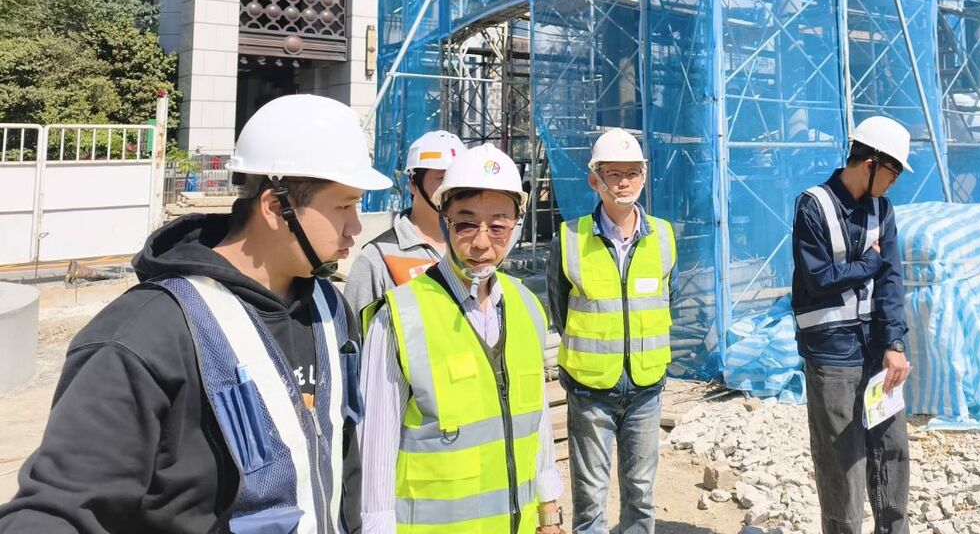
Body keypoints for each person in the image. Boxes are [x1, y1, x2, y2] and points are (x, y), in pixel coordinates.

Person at [0, 93, 390, 533]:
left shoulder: (328, 309)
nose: (356, 227)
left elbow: (343, 459)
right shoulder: (148, 334)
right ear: (275, 208)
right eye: (345, 206)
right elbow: (58, 510)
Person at [359, 143, 565, 534]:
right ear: (444, 223)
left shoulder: (525, 306)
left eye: (499, 225)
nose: (482, 243)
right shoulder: (400, 317)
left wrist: (549, 512)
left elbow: (535, 422)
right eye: (466, 224)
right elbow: (375, 454)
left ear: (516, 226)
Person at [546, 128, 678, 534]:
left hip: (645, 385)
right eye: (613, 173)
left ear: (643, 175)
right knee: (590, 495)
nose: (623, 182)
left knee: (641, 493)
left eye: (632, 173)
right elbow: (559, 308)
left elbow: (665, 300)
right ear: (594, 179)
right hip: (590, 388)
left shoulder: (663, 236)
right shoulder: (570, 238)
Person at [792, 115, 913, 534]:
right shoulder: (813, 205)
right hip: (831, 352)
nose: (894, 182)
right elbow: (819, 278)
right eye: (893, 172)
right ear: (870, 163)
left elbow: (892, 281)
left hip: (876, 350)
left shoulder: (883, 209)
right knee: (842, 463)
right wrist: (869, 262)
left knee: (892, 451)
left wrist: (894, 343)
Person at [344, 129, 464, 321]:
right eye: (442, 179)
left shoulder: (473, 245)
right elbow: (354, 337)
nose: (452, 188)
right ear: (413, 183)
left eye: (458, 179)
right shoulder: (378, 257)